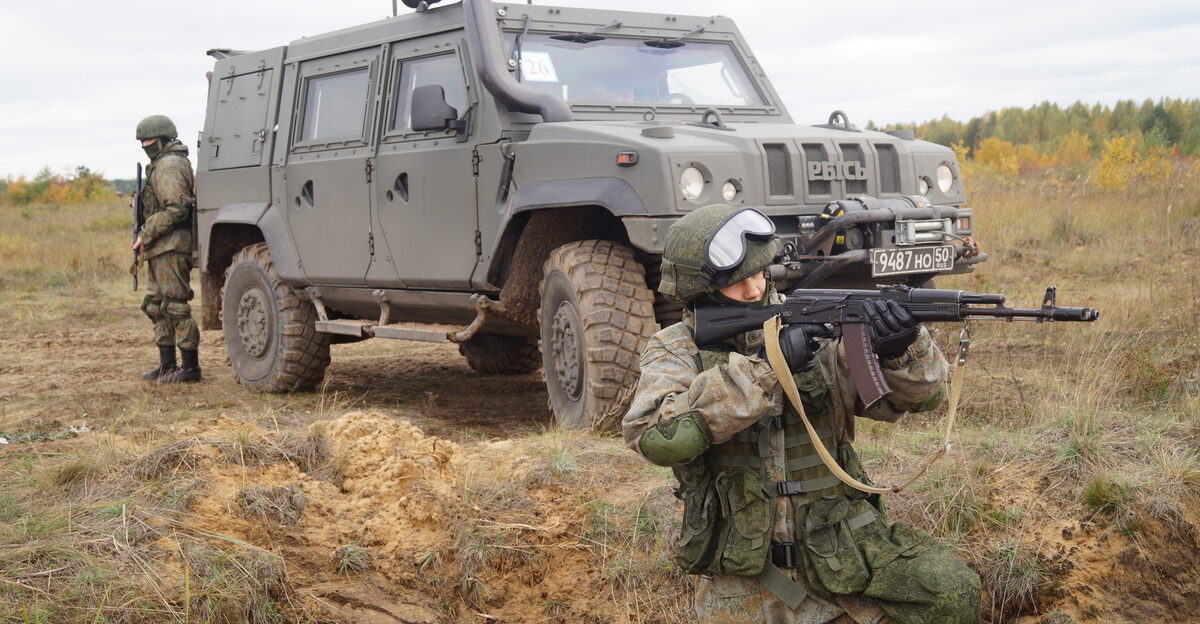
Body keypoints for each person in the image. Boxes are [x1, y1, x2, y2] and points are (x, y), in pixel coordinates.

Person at [623, 204, 980, 623]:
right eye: (737, 282)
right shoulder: (676, 348)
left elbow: (921, 401)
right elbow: (659, 439)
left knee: (953, 593)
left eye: (760, 274)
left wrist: (899, 349)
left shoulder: (814, 324)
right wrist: (768, 367)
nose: (754, 290)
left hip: (839, 546)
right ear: (695, 288)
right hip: (741, 568)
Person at [132, 114, 201, 383]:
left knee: (174, 305)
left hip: (172, 246)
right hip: (160, 246)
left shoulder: (169, 165)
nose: (144, 146)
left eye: (148, 140)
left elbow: (178, 207)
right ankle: (168, 365)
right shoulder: (160, 164)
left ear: (162, 139)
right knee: (155, 306)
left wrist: (146, 233)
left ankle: (190, 368)